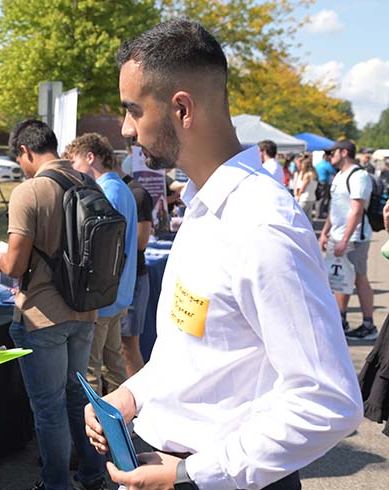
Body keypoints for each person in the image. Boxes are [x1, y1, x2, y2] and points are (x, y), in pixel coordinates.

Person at [84, 19, 362, 490]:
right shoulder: (204, 207)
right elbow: (191, 354)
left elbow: (328, 400)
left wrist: (190, 474)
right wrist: (129, 395)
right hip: (175, 463)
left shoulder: (262, 226)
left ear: (182, 109)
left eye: (133, 110)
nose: (127, 129)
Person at [0, 120, 107, 490]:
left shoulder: (30, 191)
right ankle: (93, 475)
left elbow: (15, 265)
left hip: (42, 315)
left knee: (49, 408)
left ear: (25, 151)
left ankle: (56, 484)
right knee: (77, 399)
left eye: (19, 159)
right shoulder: (88, 183)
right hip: (85, 309)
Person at [64, 133, 138, 395]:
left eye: (74, 161)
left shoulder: (107, 192)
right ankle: (126, 415)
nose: (72, 168)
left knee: (91, 367)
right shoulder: (122, 188)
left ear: (90, 157)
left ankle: (96, 417)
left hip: (104, 298)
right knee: (113, 362)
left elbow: (104, 251)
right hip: (118, 295)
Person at [318, 139, 378, 340]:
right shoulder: (339, 175)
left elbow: (357, 210)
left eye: (332, 152)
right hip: (338, 236)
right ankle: (340, 320)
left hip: (354, 238)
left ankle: (368, 325)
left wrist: (345, 239)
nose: (328, 156)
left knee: (358, 279)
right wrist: (325, 232)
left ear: (344, 152)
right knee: (339, 280)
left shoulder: (358, 176)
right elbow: (336, 208)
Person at [119, 165, 154, 376]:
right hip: (120, 281)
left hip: (133, 280)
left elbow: (141, 242)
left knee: (128, 346)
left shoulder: (137, 193)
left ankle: (140, 398)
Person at [293, 155, 318, 223]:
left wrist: (298, 196)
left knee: (299, 215)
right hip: (312, 197)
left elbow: (302, 188)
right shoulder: (314, 174)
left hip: (304, 198)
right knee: (308, 218)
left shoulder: (307, 175)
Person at [315, 150, 336, 218]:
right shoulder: (327, 164)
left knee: (318, 197)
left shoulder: (318, 164)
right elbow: (333, 172)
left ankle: (317, 212)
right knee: (323, 198)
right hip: (324, 183)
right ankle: (319, 213)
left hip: (317, 182)